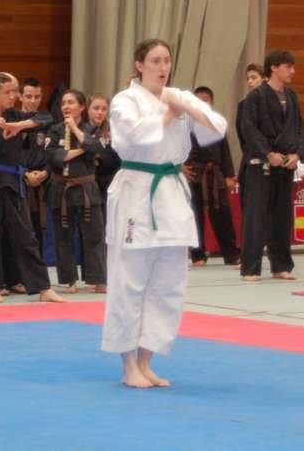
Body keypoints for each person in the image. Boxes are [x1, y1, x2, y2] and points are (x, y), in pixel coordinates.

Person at [101, 39, 227, 388]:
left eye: (167, 60)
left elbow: (217, 129)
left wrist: (191, 107)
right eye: (155, 60)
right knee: (130, 283)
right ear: (139, 65)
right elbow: (133, 137)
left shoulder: (176, 95)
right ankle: (128, 365)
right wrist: (169, 113)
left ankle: (147, 360)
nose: (162, 67)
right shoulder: (125, 100)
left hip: (171, 192)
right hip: (137, 190)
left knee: (167, 285)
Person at [0, 72, 65, 304]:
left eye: (16, 91)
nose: (15, 96)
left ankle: (43, 287)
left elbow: (47, 118)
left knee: (27, 236)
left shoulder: (14, 116)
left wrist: (20, 125)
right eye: (9, 92)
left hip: (14, 184)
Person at [239, 50, 304, 282]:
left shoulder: (293, 97)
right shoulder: (256, 97)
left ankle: (281, 265)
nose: (293, 71)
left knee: (282, 216)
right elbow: (248, 129)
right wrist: (268, 153)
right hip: (261, 165)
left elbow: (299, 128)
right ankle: (251, 267)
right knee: (256, 217)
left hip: (285, 165)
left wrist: (297, 153)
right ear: (274, 67)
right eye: (289, 66)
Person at [45, 89, 106, 293]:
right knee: (63, 237)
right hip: (61, 188)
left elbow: (96, 148)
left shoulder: (92, 129)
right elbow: (54, 156)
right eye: (63, 103)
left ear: (82, 107)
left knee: (94, 236)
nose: (66, 107)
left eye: (71, 102)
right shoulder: (55, 130)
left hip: (86, 189)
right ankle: (69, 280)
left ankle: (98, 280)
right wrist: (81, 150)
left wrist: (77, 131)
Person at [0, 77, 50, 295]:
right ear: (20, 96)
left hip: (39, 183)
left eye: (37, 96)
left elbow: (51, 152)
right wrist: (26, 173)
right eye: (28, 96)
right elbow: (7, 153)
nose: (33, 101)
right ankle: (8, 278)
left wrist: (45, 172)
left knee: (35, 233)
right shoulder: (11, 119)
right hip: (16, 179)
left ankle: (27, 278)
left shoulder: (42, 121)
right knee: (10, 233)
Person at [184, 86, 240, 267]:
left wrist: (229, 175)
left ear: (212, 102)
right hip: (193, 174)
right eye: (198, 99)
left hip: (215, 174)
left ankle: (231, 254)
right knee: (195, 216)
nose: (202, 102)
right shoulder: (185, 124)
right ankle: (198, 255)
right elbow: (177, 149)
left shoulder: (217, 123)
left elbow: (225, 151)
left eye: (206, 99)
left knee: (223, 214)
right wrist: (181, 167)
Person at [236, 63, 266, 207]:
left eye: (254, 77)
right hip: (249, 162)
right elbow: (242, 136)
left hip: (270, 164)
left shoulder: (274, 103)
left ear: (265, 79)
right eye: (248, 78)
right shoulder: (243, 105)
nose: (250, 82)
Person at [88, 93, 120, 223]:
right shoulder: (82, 130)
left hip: (108, 183)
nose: (100, 112)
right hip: (88, 183)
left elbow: (117, 158)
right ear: (88, 109)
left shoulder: (113, 130)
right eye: (96, 108)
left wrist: (99, 156)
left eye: (104, 109)